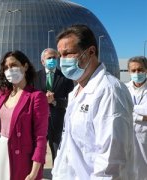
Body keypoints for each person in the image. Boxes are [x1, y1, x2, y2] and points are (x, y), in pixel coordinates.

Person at [52, 24, 134, 179]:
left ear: (90, 52)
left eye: (68, 53)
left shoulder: (109, 91)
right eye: (60, 55)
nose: (62, 61)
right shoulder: (76, 91)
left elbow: (111, 160)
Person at [0, 50, 49, 180]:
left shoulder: (36, 97)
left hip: (19, 157)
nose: (9, 70)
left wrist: (35, 171)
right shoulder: (3, 94)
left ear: (25, 66)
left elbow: (40, 137)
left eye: (13, 65)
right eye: (6, 67)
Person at [34, 48, 74, 163]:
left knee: (57, 150)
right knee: (38, 150)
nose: (52, 60)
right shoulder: (35, 77)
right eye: (49, 58)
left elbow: (71, 101)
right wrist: (42, 100)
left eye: (54, 58)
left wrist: (55, 101)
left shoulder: (66, 77)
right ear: (42, 61)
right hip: (38, 119)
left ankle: (56, 173)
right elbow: (30, 99)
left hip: (57, 120)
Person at [125, 56, 147, 180]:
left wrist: (131, 109)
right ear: (129, 72)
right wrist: (141, 116)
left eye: (140, 69)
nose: (137, 73)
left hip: (144, 138)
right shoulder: (124, 89)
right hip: (127, 136)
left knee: (143, 171)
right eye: (133, 71)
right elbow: (120, 110)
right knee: (127, 170)